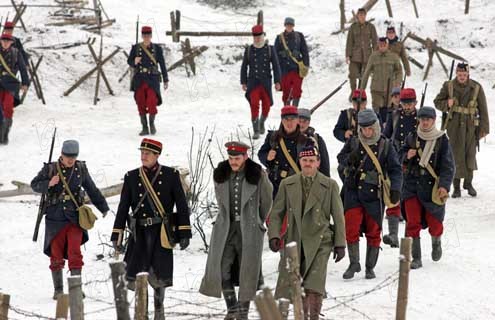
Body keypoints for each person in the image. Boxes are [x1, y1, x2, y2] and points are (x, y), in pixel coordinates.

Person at [110, 138, 192, 319]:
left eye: (147, 153)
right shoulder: (131, 177)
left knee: (159, 274)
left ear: (157, 155)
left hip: (161, 232)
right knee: (139, 273)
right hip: (139, 234)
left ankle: (159, 312)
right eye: (142, 153)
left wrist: (184, 232)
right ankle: (142, 313)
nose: (143, 156)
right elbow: (123, 208)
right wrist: (117, 234)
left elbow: (182, 205)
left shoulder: (171, 175)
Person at [268, 145, 346, 320]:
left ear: (318, 162)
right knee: (295, 284)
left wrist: (340, 243)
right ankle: (301, 317)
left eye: (312, 160)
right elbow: (276, 213)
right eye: (305, 160)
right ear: (300, 162)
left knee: (315, 284)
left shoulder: (330, 185)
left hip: (321, 241)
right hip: (294, 241)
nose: (308, 164)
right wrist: (274, 235)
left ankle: (314, 317)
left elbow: (339, 217)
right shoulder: (287, 184)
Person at [200, 142, 273, 320]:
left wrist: (257, 221)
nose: (233, 162)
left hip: (249, 229)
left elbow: (267, 200)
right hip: (226, 228)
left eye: (237, 158)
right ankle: (232, 308)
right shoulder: (221, 174)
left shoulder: (257, 174)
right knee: (220, 268)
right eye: (231, 158)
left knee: (248, 272)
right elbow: (220, 201)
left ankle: (242, 313)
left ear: (245, 157)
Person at [30, 140, 109, 299]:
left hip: (75, 218)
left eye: (73, 157)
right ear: (62, 154)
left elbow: (91, 189)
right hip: (55, 218)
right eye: (68, 157)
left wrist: (103, 207)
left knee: (75, 253)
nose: (70, 160)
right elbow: (34, 185)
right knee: (56, 254)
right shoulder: (50, 169)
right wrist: (48, 183)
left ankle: (76, 289)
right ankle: (58, 290)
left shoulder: (80, 168)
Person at [337, 110, 402, 279]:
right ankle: (354, 263)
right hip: (353, 191)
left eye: (370, 128)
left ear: (376, 127)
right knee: (351, 227)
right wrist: (348, 161)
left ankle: (369, 267)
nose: (366, 132)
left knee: (374, 231)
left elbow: (395, 170)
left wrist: (396, 189)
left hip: (375, 195)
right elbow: (341, 158)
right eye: (363, 128)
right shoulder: (353, 142)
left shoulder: (385, 145)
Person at [400, 107, 455, 269]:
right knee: (412, 222)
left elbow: (448, 166)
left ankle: (436, 241)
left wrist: (444, 186)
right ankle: (416, 257)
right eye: (422, 119)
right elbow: (398, 157)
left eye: (428, 119)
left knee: (435, 223)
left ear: (433, 120)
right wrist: (405, 156)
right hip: (411, 185)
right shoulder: (412, 137)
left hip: (432, 187)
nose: (425, 122)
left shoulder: (442, 140)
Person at [433, 62, 489, 198]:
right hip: (454, 126)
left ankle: (468, 184)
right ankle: (456, 186)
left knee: (470, 154)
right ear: (456, 74)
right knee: (454, 155)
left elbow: (483, 109)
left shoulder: (476, 87)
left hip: (471, 127)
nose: (462, 77)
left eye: (464, 75)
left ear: (468, 74)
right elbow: (437, 102)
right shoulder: (449, 86)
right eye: (459, 75)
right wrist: (447, 104)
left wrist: (484, 128)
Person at [382, 87, 418, 247]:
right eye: (404, 103)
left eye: (410, 103)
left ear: (415, 103)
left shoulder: (421, 117)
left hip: (414, 161)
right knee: (393, 194)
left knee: (410, 199)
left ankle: (408, 238)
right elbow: (386, 136)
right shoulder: (394, 116)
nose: (407, 106)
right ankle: (393, 234)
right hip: (396, 158)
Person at [258, 105, 309, 197]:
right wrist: (267, 157)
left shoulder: (305, 141)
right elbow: (261, 153)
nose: (289, 123)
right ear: (282, 121)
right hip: (275, 184)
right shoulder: (273, 137)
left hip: (297, 184)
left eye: (292, 119)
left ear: (297, 120)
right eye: (286, 120)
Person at [241, 24, 281, 139]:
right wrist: (244, 82)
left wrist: (277, 81)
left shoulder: (270, 49)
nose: (257, 39)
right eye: (255, 37)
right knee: (254, 104)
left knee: (267, 105)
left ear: (263, 36)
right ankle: (256, 130)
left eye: (259, 36)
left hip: (266, 82)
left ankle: (261, 122)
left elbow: (276, 65)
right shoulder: (249, 50)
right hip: (253, 82)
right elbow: (244, 66)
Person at [128, 26, 169, 136]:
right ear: (142, 36)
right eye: (144, 35)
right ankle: (144, 127)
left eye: (148, 35)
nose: (146, 37)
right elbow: (129, 61)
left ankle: (152, 124)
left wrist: (165, 79)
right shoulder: (136, 48)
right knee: (140, 102)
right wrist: (134, 61)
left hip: (153, 79)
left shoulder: (157, 49)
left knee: (152, 102)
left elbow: (162, 64)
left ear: (151, 36)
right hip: (139, 79)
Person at [360, 37, 403, 113]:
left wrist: (398, 82)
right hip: (376, 89)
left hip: (390, 90)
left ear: (387, 45)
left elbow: (399, 70)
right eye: (380, 45)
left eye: (384, 45)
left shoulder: (393, 56)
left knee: (391, 111)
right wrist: (362, 89)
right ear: (378, 45)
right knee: (377, 112)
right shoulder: (373, 56)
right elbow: (366, 72)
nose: (382, 47)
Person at [0, 32, 28, 145]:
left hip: (10, 84)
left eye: (8, 41)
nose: (5, 43)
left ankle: (4, 135)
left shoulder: (16, 53)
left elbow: (23, 69)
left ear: (11, 42)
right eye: (3, 41)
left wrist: (25, 83)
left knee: (7, 109)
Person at [274, 17, 309, 106]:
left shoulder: (299, 36)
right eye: (287, 25)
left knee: (297, 90)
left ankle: (294, 109)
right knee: (286, 92)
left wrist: (305, 65)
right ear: (285, 25)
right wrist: (282, 54)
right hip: (284, 69)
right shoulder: (279, 38)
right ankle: (287, 110)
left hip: (296, 69)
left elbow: (305, 51)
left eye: (291, 25)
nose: (289, 27)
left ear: (293, 26)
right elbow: (275, 55)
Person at [345, 7, 377, 100]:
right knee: (352, 75)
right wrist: (347, 55)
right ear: (357, 16)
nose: (362, 17)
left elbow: (375, 41)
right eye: (360, 15)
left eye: (363, 15)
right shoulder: (353, 27)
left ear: (365, 16)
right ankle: (353, 92)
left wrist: (375, 55)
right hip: (355, 56)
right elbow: (349, 41)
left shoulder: (371, 27)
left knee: (364, 76)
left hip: (367, 57)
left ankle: (360, 93)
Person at [298, 108, 330, 176]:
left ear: (309, 122)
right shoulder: (286, 138)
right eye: (299, 121)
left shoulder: (317, 140)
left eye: (304, 121)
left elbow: (324, 165)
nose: (301, 124)